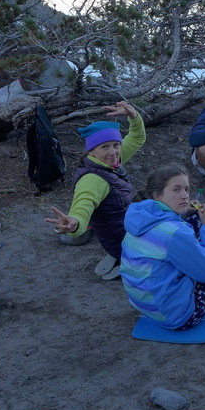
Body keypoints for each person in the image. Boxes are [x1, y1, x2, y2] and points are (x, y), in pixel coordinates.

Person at [120, 164, 205, 330]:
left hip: (146, 306)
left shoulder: (139, 217)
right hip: (178, 317)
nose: (184, 196)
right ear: (157, 195)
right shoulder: (173, 233)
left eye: (187, 189)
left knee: (195, 220)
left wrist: (183, 212)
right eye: (176, 190)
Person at [46, 101, 145, 280]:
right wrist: (74, 222)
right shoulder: (92, 180)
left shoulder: (110, 162)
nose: (113, 152)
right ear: (91, 151)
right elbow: (83, 205)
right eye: (105, 147)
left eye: (116, 144)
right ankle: (133, 262)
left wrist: (133, 116)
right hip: (125, 241)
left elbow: (137, 137)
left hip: (128, 231)